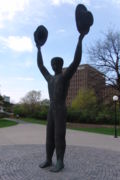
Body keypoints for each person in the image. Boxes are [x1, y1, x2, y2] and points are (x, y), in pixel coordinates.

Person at [35, 30, 86, 172]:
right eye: (53, 63)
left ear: (60, 64)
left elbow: (76, 61)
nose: (54, 65)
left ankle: (60, 161)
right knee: (49, 135)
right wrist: (39, 49)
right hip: (51, 108)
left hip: (60, 108)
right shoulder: (50, 78)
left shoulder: (65, 77)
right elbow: (40, 66)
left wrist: (80, 40)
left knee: (59, 135)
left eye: (56, 63)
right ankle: (48, 159)